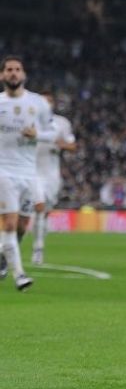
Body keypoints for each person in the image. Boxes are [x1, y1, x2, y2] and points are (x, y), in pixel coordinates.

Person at [0, 56, 55, 290]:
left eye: (17, 69)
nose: (13, 73)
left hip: (29, 173)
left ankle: (3, 257)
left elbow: (53, 133)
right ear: (2, 75)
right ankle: (19, 275)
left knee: (22, 226)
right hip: (4, 171)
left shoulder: (38, 103)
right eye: (9, 69)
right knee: (9, 224)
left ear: (23, 75)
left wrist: (37, 135)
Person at [31, 89, 77, 265]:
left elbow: (73, 146)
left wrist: (60, 144)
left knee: (46, 210)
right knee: (39, 206)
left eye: (48, 101)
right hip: (33, 171)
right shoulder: (29, 121)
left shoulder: (62, 123)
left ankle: (40, 235)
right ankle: (38, 248)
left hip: (51, 173)